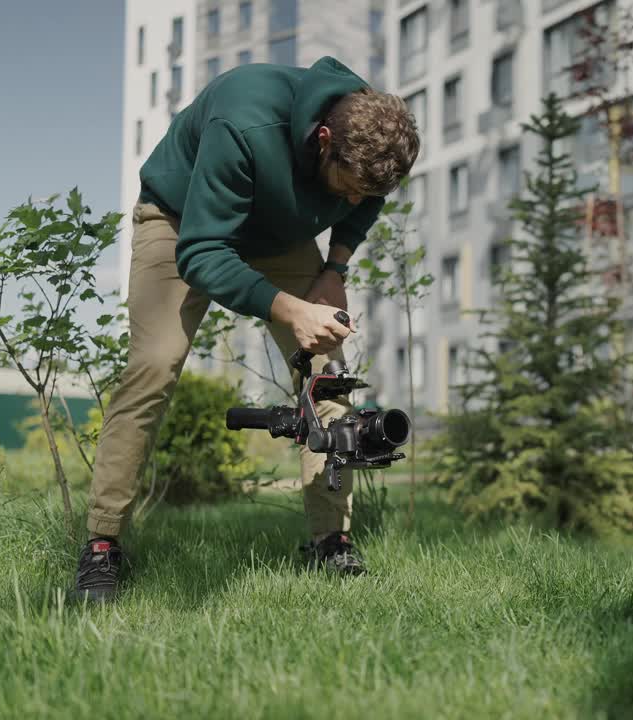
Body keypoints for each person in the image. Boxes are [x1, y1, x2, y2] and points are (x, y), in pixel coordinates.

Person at [71, 56, 420, 603]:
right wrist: (288, 308)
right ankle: (102, 545)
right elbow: (204, 253)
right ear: (323, 139)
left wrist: (334, 270)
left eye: (363, 193)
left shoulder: (372, 138)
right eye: (345, 186)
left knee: (329, 377)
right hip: (184, 222)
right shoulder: (244, 122)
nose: (351, 201)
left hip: (279, 237)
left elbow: (366, 198)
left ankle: (332, 541)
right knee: (155, 365)